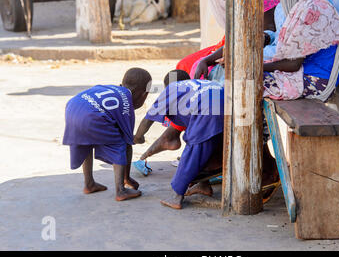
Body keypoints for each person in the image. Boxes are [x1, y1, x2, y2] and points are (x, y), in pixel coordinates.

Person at [62, 68, 152, 201]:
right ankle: (121, 190)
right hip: (91, 116)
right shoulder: (126, 104)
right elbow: (128, 140)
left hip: (73, 107)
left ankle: (89, 184)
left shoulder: (112, 89)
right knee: (120, 144)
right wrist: (139, 138)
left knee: (86, 142)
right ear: (143, 95)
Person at [134, 78, 225, 210]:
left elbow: (147, 120)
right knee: (209, 145)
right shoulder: (193, 86)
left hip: (207, 109)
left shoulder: (169, 91)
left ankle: (177, 196)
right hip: (227, 104)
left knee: (193, 151)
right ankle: (203, 184)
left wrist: (137, 137)